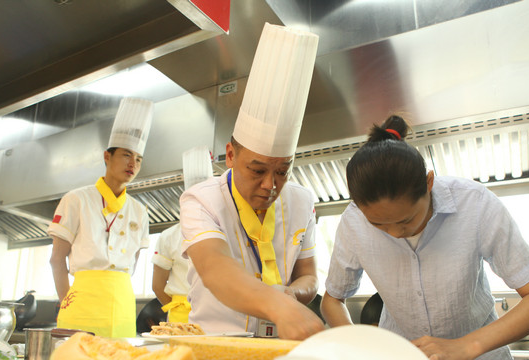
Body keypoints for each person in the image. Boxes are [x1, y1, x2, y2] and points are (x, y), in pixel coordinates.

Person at [320, 114, 529, 360]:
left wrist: (467, 346)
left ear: (429, 182)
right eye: (378, 225)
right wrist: (361, 345)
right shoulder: (353, 221)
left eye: (406, 220)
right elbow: (332, 300)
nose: (396, 233)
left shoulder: (475, 204)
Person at [179, 23, 325, 340]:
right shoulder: (201, 200)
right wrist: (277, 305)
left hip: (277, 345)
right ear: (230, 155)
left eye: (283, 171)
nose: (270, 185)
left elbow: (309, 276)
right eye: (257, 170)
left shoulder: (302, 201)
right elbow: (215, 268)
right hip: (217, 344)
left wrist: (294, 295)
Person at [48, 97, 154, 338]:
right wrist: (66, 300)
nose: (132, 164)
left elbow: (134, 262)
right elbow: (57, 260)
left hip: (124, 304)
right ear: (107, 156)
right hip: (83, 302)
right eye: (126, 155)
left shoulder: (139, 210)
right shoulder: (76, 199)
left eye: (138, 159)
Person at [151, 146, 213, 323]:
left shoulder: (225, 230)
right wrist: (178, 306)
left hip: (216, 312)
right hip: (181, 315)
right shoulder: (169, 236)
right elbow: (157, 286)